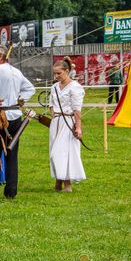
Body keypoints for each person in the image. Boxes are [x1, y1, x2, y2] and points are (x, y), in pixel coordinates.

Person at [0, 44, 35, 199]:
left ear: (1, 56)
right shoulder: (16, 71)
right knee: (11, 156)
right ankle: (11, 192)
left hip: (0, 117)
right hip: (15, 117)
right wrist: (20, 100)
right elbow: (30, 89)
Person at [49, 57, 86, 192]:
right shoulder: (54, 87)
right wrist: (54, 115)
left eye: (59, 73)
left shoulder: (75, 87)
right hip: (56, 122)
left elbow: (77, 109)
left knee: (62, 153)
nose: (56, 76)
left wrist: (78, 127)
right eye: (55, 73)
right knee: (54, 152)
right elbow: (51, 104)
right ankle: (59, 182)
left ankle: (67, 184)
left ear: (67, 71)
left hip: (68, 122)